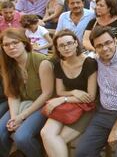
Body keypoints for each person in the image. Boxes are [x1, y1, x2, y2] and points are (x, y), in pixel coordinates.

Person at [75, 26, 117, 157]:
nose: (105, 48)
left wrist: (115, 129)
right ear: (95, 48)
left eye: (108, 43)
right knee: (82, 153)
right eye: (99, 45)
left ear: (115, 40)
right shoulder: (95, 60)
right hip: (104, 112)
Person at [40, 30, 97, 157]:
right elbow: (60, 91)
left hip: (87, 108)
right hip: (68, 106)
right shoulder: (59, 64)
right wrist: (73, 92)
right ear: (57, 48)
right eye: (61, 45)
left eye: (69, 43)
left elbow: (91, 97)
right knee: (45, 134)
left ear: (76, 43)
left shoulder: (89, 63)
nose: (66, 48)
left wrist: (62, 99)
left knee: (58, 139)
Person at [0, 28, 54, 157]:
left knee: (22, 137)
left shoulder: (41, 61)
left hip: (42, 104)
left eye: (15, 42)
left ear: (24, 43)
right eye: (6, 44)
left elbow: (47, 93)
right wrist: (14, 118)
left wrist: (21, 117)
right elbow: (12, 94)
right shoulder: (8, 65)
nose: (11, 47)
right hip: (23, 103)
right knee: (1, 132)